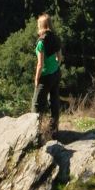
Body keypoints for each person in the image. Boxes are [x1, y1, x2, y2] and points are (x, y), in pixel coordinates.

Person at [32, 13, 63, 141]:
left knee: (36, 105)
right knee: (54, 102)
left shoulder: (41, 42)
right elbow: (59, 57)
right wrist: (55, 66)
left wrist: (36, 78)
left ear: (41, 25)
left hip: (45, 77)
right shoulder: (55, 37)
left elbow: (40, 64)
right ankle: (53, 131)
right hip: (56, 73)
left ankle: (35, 134)